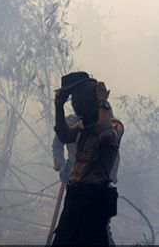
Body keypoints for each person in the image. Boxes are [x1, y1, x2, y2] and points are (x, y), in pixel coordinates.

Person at [51, 72, 120, 246]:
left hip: (94, 199)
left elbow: (104, 133)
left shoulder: (114, 126)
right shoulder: (81, 126)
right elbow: (64, 135)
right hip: (76, 196)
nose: (74, 104)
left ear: (90, 99)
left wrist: (102, 102)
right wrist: (58, 106)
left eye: (77, 98)